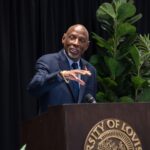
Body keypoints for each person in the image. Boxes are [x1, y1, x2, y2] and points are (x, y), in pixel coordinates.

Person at [27, 24, 97, 113]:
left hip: (80, 126)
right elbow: (33, 89)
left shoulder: (91, 71)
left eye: (81, 40)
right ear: (64, 38)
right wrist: (61, 75)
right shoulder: (48, 62)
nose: (76, 43)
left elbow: (90, 104)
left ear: (87, 45)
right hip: (53, 124)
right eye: (72, 37)